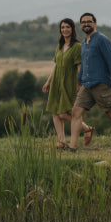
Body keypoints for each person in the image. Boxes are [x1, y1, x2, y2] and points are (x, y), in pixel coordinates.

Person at [68, 12, 111, 152]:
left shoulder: (102, 40)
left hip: (101, 83)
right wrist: (79, 81)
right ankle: (72, 147)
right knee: (76, 111)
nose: (86, 24)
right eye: (83, 22)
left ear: (95, 23)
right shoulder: (84, 43)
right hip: (86, 84)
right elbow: (84, 64)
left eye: (89, 21)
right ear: (80, 25)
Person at [42, 18, 93, 150]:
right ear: (60, 30)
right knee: (55, 112)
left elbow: (79, 67)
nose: (65, 29)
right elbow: (56, 66)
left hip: (69, 82)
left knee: (64, 114)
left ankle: (87, 129)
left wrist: (79, 83)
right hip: (56, 83)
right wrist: (48, 82)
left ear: (72, 29)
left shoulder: (76, 46)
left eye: (67, 27)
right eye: (63, 27)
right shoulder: (59, 46)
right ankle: (62, 142)